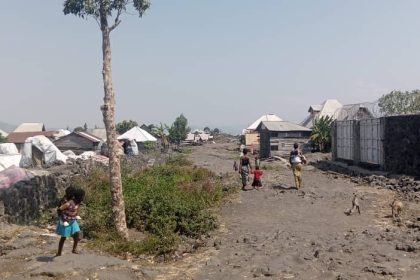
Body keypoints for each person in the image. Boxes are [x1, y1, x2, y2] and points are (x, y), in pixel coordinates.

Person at [56, 188, 85, 256]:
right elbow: (59, 209)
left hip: (73, 220)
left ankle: (74, 249)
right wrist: (63, 218)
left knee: (77, 233)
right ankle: (59, 252)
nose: (83, 197)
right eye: (83, 196)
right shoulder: (69, 203)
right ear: (79, 196)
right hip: (66, 221)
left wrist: (75, 215)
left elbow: (75, 210)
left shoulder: (78, 202)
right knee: (63, 237)